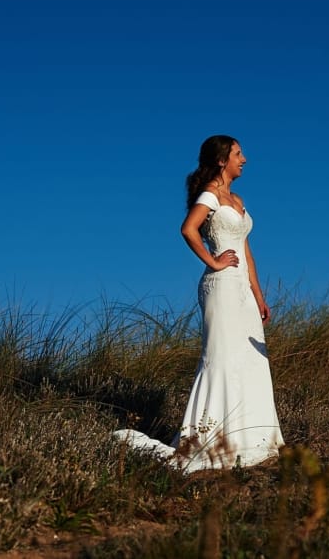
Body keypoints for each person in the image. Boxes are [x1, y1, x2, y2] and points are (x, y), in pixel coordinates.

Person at [113, 135, 284, 471]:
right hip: (221, 287)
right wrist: (214, 261)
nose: (244, 159)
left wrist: (259, 295)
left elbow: (246, 251)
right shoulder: (210, 194)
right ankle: (207, 439)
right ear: (222, 160)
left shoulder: (237, 199)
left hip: (243, 290)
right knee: (221, 357)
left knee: (250, 359)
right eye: (238, 154)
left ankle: (252, 437)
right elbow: (188, 229)